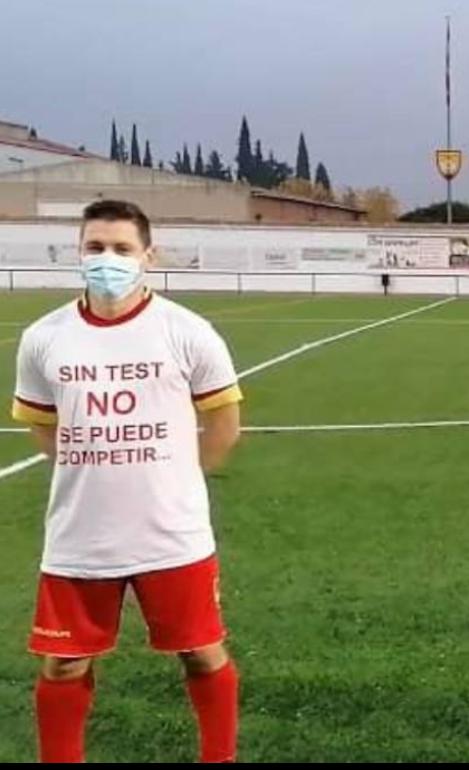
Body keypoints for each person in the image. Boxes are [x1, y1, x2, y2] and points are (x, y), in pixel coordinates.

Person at [11, 199, 244, 763]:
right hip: (79, 534)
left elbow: (223, 424)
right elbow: (44, 427)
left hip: (172, 532)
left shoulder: (187, 331)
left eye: (121, 249)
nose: (107, 259)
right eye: (96, 248)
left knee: (201, 651)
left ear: (148, 255)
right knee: (63, 662)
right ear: (79, 253)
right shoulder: (45, 337)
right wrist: (92, 471)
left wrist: (176, 481)